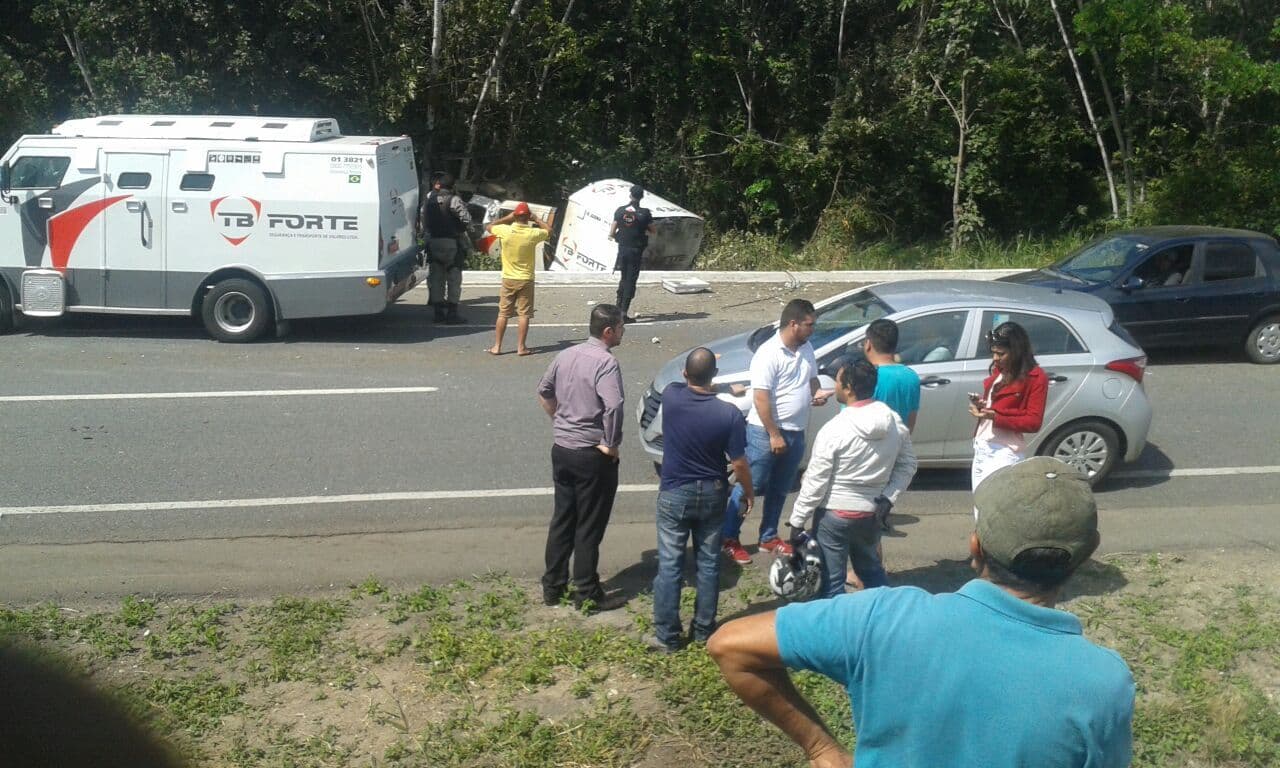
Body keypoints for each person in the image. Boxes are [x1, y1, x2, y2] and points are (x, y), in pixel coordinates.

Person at [708, 457, 1135, 768]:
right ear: (1085, 556)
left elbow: (729, 646)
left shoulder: (884, 617)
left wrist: (822, 749)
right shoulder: (1103, 683)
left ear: (975, 546)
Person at [651, 348, 755, 652]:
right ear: (714, 376)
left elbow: (686, 383)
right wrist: (748, 492)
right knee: (708, 563)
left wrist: (709, 378)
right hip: (713, 492)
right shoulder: (730, 414)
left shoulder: (672, 397)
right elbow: (739, 462)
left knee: (670, 565)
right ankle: (703, 631)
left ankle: (668, 638)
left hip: (674, 492)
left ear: (685, 374)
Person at [787, 357, 916, 598]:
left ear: (848, 388)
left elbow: (816, 482)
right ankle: (884, 621)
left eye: (837, 381)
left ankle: (837, 632)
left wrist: (797, 522)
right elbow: (908, 464)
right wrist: (888, 498)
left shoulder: (834, 429)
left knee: (831, 585)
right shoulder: (894, 423)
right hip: (870, 513)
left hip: (833, 517)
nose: (834, 386)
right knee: (872, 574)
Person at [721, 299, 833, 565]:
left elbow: (811, 378)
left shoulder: (806, 349)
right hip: (765, 433)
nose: (812, 330)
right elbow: (761, 398)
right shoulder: (769, 353)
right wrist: (774, 434)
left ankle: (768, 536)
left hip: (796, 431)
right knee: (751, 485)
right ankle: (728, 538)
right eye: (809, 324)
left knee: (780, 488)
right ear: (793, 324)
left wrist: (815, 392)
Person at [536, 304, 627, 612]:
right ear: (608, 331)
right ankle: (586, 592)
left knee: (563, 519)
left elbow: (544, 390)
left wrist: (559, 420)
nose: (623, 331)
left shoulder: (566, 355)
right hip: (591, 454)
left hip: (562, 449)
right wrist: (610, 443)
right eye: (621, 327)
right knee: (588, 525)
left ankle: (553, 587)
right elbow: (613, 406)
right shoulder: (605, 363)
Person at [969, 321, 1048, 492]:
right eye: (993, 353)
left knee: (997, 511)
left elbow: (1033, 422)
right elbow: (997, 405)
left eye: (1001, 354)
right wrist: (982, 406)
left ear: (1016, 352)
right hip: (982, 446)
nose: (995, 359)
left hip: (1004, 451)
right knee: (980, 508)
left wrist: (995, 417)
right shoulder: (1001, 369)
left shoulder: (1036, 378)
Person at [486, 202, 551, 356]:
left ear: (515, 216)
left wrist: (506, 218)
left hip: (508, 278)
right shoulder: (532, 234)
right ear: (528, 217)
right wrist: (537, 219)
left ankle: (497, 346)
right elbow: (549, 230)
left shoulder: (505, 230)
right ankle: (521, 347)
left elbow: (489, 226)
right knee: (524, 314)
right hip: (526, 278)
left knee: (503, 313)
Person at [419, 173, 471, 324]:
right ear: (452, 186)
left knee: (436, 277)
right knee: (454, 278)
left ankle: (438, 312)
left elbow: (423, 222)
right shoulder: (454, 200)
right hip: (452, 243)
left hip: (433, 242)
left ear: (438, 185)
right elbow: (466, 219)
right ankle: (452, 313)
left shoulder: (428, 201)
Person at [607, 184, 655, 322]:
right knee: (630, 280)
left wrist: (613, 234)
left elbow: (613, 229)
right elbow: (653, 230)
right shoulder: (644, 213)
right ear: (641, 197)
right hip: (636, 250)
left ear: (630, 195)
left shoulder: (621, 211)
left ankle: (617, 309)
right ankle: (623, 312)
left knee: (623, 278)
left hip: (622, 250)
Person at [863, 318, 920, 432]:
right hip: (898, 445)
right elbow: (911, 422)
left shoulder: (865, 377)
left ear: (868, 344)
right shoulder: (911, 376)